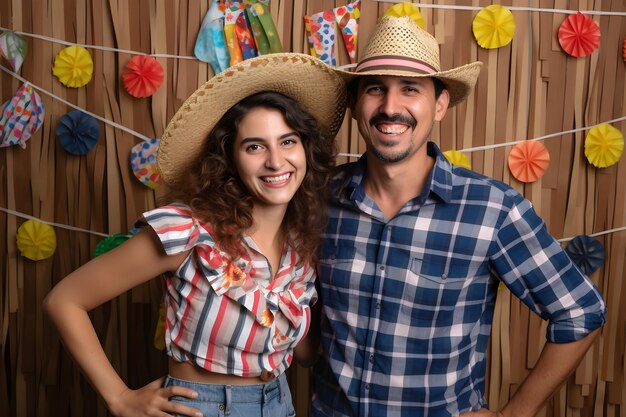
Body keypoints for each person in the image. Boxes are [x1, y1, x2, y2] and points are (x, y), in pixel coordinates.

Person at [311, 15, 607, 417]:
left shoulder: (493, 209)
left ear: (440, 104)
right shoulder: (317, 198)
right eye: (375, 88)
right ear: (354, 104)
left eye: (410, 89)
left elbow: (580, 312)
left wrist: (513, 414)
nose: (390, 107)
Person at [43, 52, 346, 417]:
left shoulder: (302, 244)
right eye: (254, 146)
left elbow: (305, 353)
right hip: (203, 408)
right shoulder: (187, 230)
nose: (276, 162)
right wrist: (119, 397)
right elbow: (64, 301)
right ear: (230, 158)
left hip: (280, 403)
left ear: (306, 149)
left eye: (287, 141)